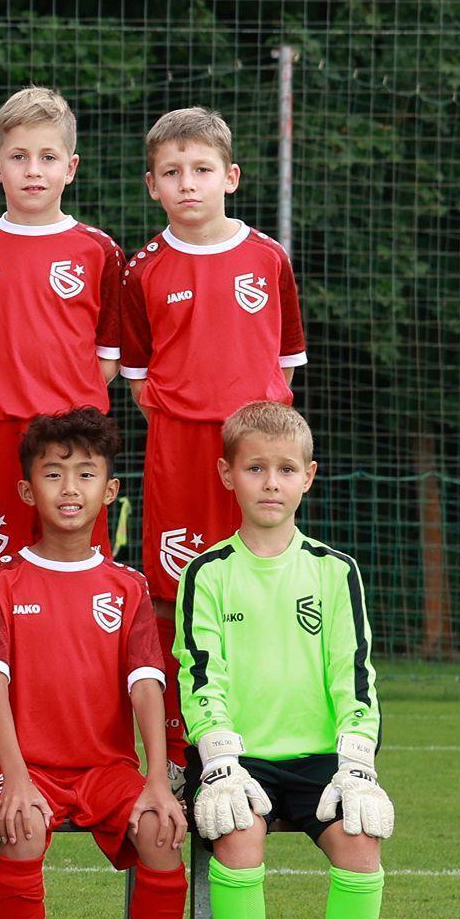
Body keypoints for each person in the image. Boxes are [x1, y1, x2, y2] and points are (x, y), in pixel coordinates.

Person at [175, 402, 392, 919]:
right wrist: (217, 763)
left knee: (361, 842)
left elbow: (353, 673)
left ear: (309, 477)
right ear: (228, 475)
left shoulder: (333, 569)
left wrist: (357, 765)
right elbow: (198, 672)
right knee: (237, 837)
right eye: (256, 468)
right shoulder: (207, 572)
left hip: (321, 758)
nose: (271, 482)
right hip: (238, 760)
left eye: (285, 469)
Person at [0, 407, 192, 919]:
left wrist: (157, 778)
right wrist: (13, 779)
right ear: (26, 490)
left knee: (160, 831)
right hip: (26, 767)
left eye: (86, 475)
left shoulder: (126, 587)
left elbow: (147, 686)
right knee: (21, 830)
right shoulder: (2, 583)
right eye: (53, 474)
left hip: (104, 769)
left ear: (110, 490)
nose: (70, 489)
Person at [118, 107, 305, 634]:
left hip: (256, 446)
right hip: (178, 448)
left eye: (202, 169)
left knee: (263, 570)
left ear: (231, 176)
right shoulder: (141, 269)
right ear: (153, 185)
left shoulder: (269, 258)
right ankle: (178, 716)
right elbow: (138, 377)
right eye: (172, 173)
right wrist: (189, 413)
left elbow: (285, 365)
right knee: (172, 585)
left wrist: (251, 424)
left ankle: (263, 704)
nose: (188, 185)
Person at [0, 87, 121, 564]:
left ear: (70, 167)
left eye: (48, 157)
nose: (33, 170)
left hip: (74, 438)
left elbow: (107, 358)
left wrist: (59, 398)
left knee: (77, 563)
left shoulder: (98, 250)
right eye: (19, 157)